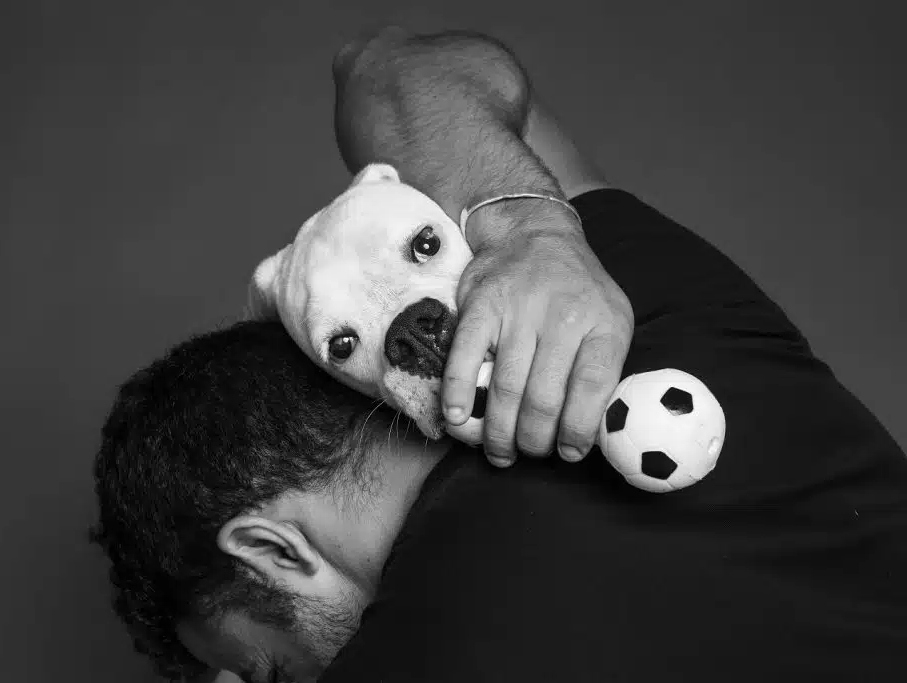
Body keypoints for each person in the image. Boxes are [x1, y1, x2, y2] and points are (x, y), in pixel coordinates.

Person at [91, 27, 907, 683]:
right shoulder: (617, 294)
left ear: (272, 548)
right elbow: (383, 66)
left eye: (272, 673)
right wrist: (535, 231)